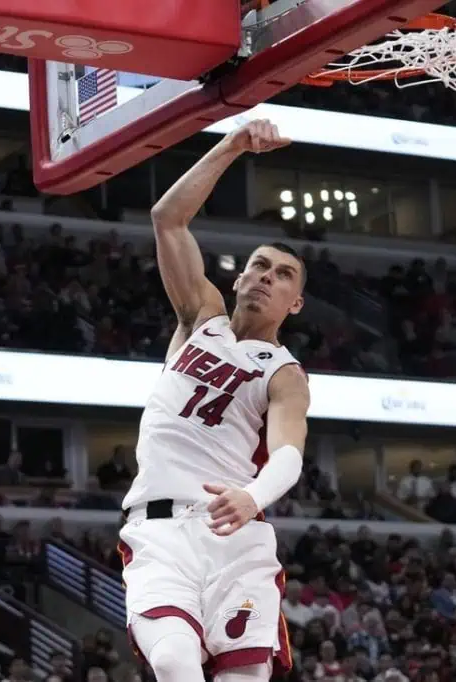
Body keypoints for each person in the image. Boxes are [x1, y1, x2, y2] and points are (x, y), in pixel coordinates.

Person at [119, 119, 309, 682]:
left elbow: (289, 456)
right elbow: (167, 218)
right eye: (259, 265)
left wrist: (254, 498)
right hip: (159, 531)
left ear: (296, 303)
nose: (266, 277)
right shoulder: (201, 318)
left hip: (235, 536)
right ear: (239, 276)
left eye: (284, 275)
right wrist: (232, 145)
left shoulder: (285, 373)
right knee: (175, 660)